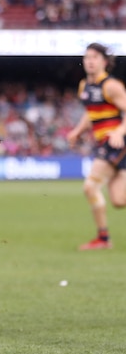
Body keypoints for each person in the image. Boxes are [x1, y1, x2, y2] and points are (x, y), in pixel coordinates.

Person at [66, 42, 126, 250]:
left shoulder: (111, 86)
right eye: (87, 57)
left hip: (117, 142)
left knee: (90, 186)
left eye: (94, 57)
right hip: (106, 143)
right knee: (119, 200)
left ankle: (103, 239)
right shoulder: (85, 86)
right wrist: (77, 131)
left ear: (104, 62)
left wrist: (119, 131)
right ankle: (103, 239)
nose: (89, 61)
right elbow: (90, 113)